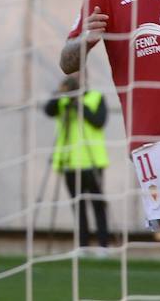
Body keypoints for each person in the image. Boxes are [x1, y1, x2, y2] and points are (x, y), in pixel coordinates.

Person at [43, 74, 111, 251]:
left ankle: (103, 245)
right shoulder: (62, 100)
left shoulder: (95, 97)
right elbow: (48, 110)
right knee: (77, 206)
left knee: (97, 204)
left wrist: (78, 103)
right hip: (70, 162)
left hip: (93, 161)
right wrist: (60, 93)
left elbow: (99, 121)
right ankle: (83, 246)